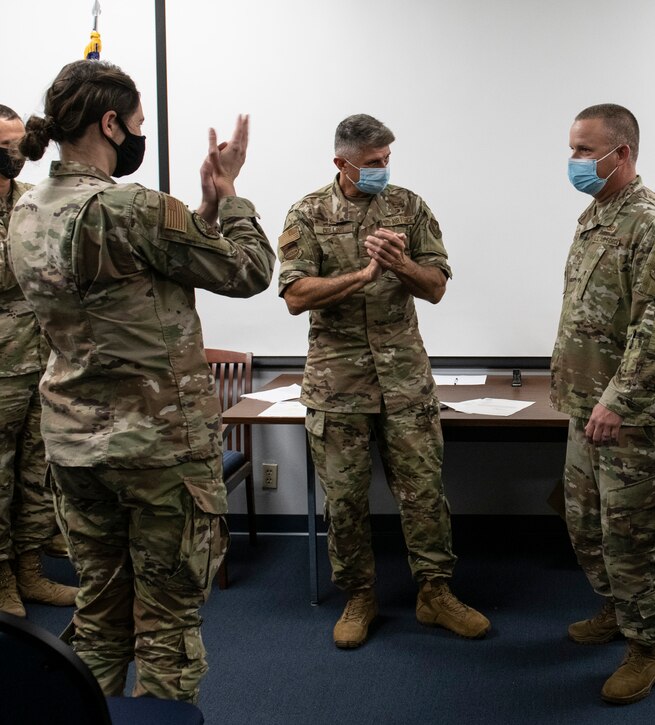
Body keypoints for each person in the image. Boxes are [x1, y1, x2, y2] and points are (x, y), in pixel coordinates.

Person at [8, 60, 275, 702]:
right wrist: (230, 195)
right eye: (137, 123)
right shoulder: (133, 207)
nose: (139, 135)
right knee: (166, 626)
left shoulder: (28, 208)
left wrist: (201, 211)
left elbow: (136, 270)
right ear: (110, 124)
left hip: (74, 448)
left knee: (99, 617)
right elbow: (250, 270)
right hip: (157, 454)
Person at [279, 113, 489, 649]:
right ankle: (359, 596)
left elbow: (436, 286)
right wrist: (362, 276)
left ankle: (435, 593)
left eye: (388, 159)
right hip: (337, 383)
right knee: (345, 500)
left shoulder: (409, 208)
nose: (384, 169)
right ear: (341, 163)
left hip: (404, 381)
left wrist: (400, 266)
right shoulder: (307, 213)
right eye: (373, 162)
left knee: (424, 492)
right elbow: (296, 295)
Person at [551, 103, 655, 705]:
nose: (574, 160)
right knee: (585, 525)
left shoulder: (653, 223)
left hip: (634, 419)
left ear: (622, 153)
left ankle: (648, 649)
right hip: (587, 408)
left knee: (635, 539)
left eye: (585, 150)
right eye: (573, 149)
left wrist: (620, 400)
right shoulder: (595, 216)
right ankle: (615, 610)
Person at [0, 104, 77, 617]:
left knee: (36, 471)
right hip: (2, 369)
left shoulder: (31, 199)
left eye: (16, 142)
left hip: (44, 361)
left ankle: (29, 571)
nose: (15, 153)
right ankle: (2, 578)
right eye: (3, 146)